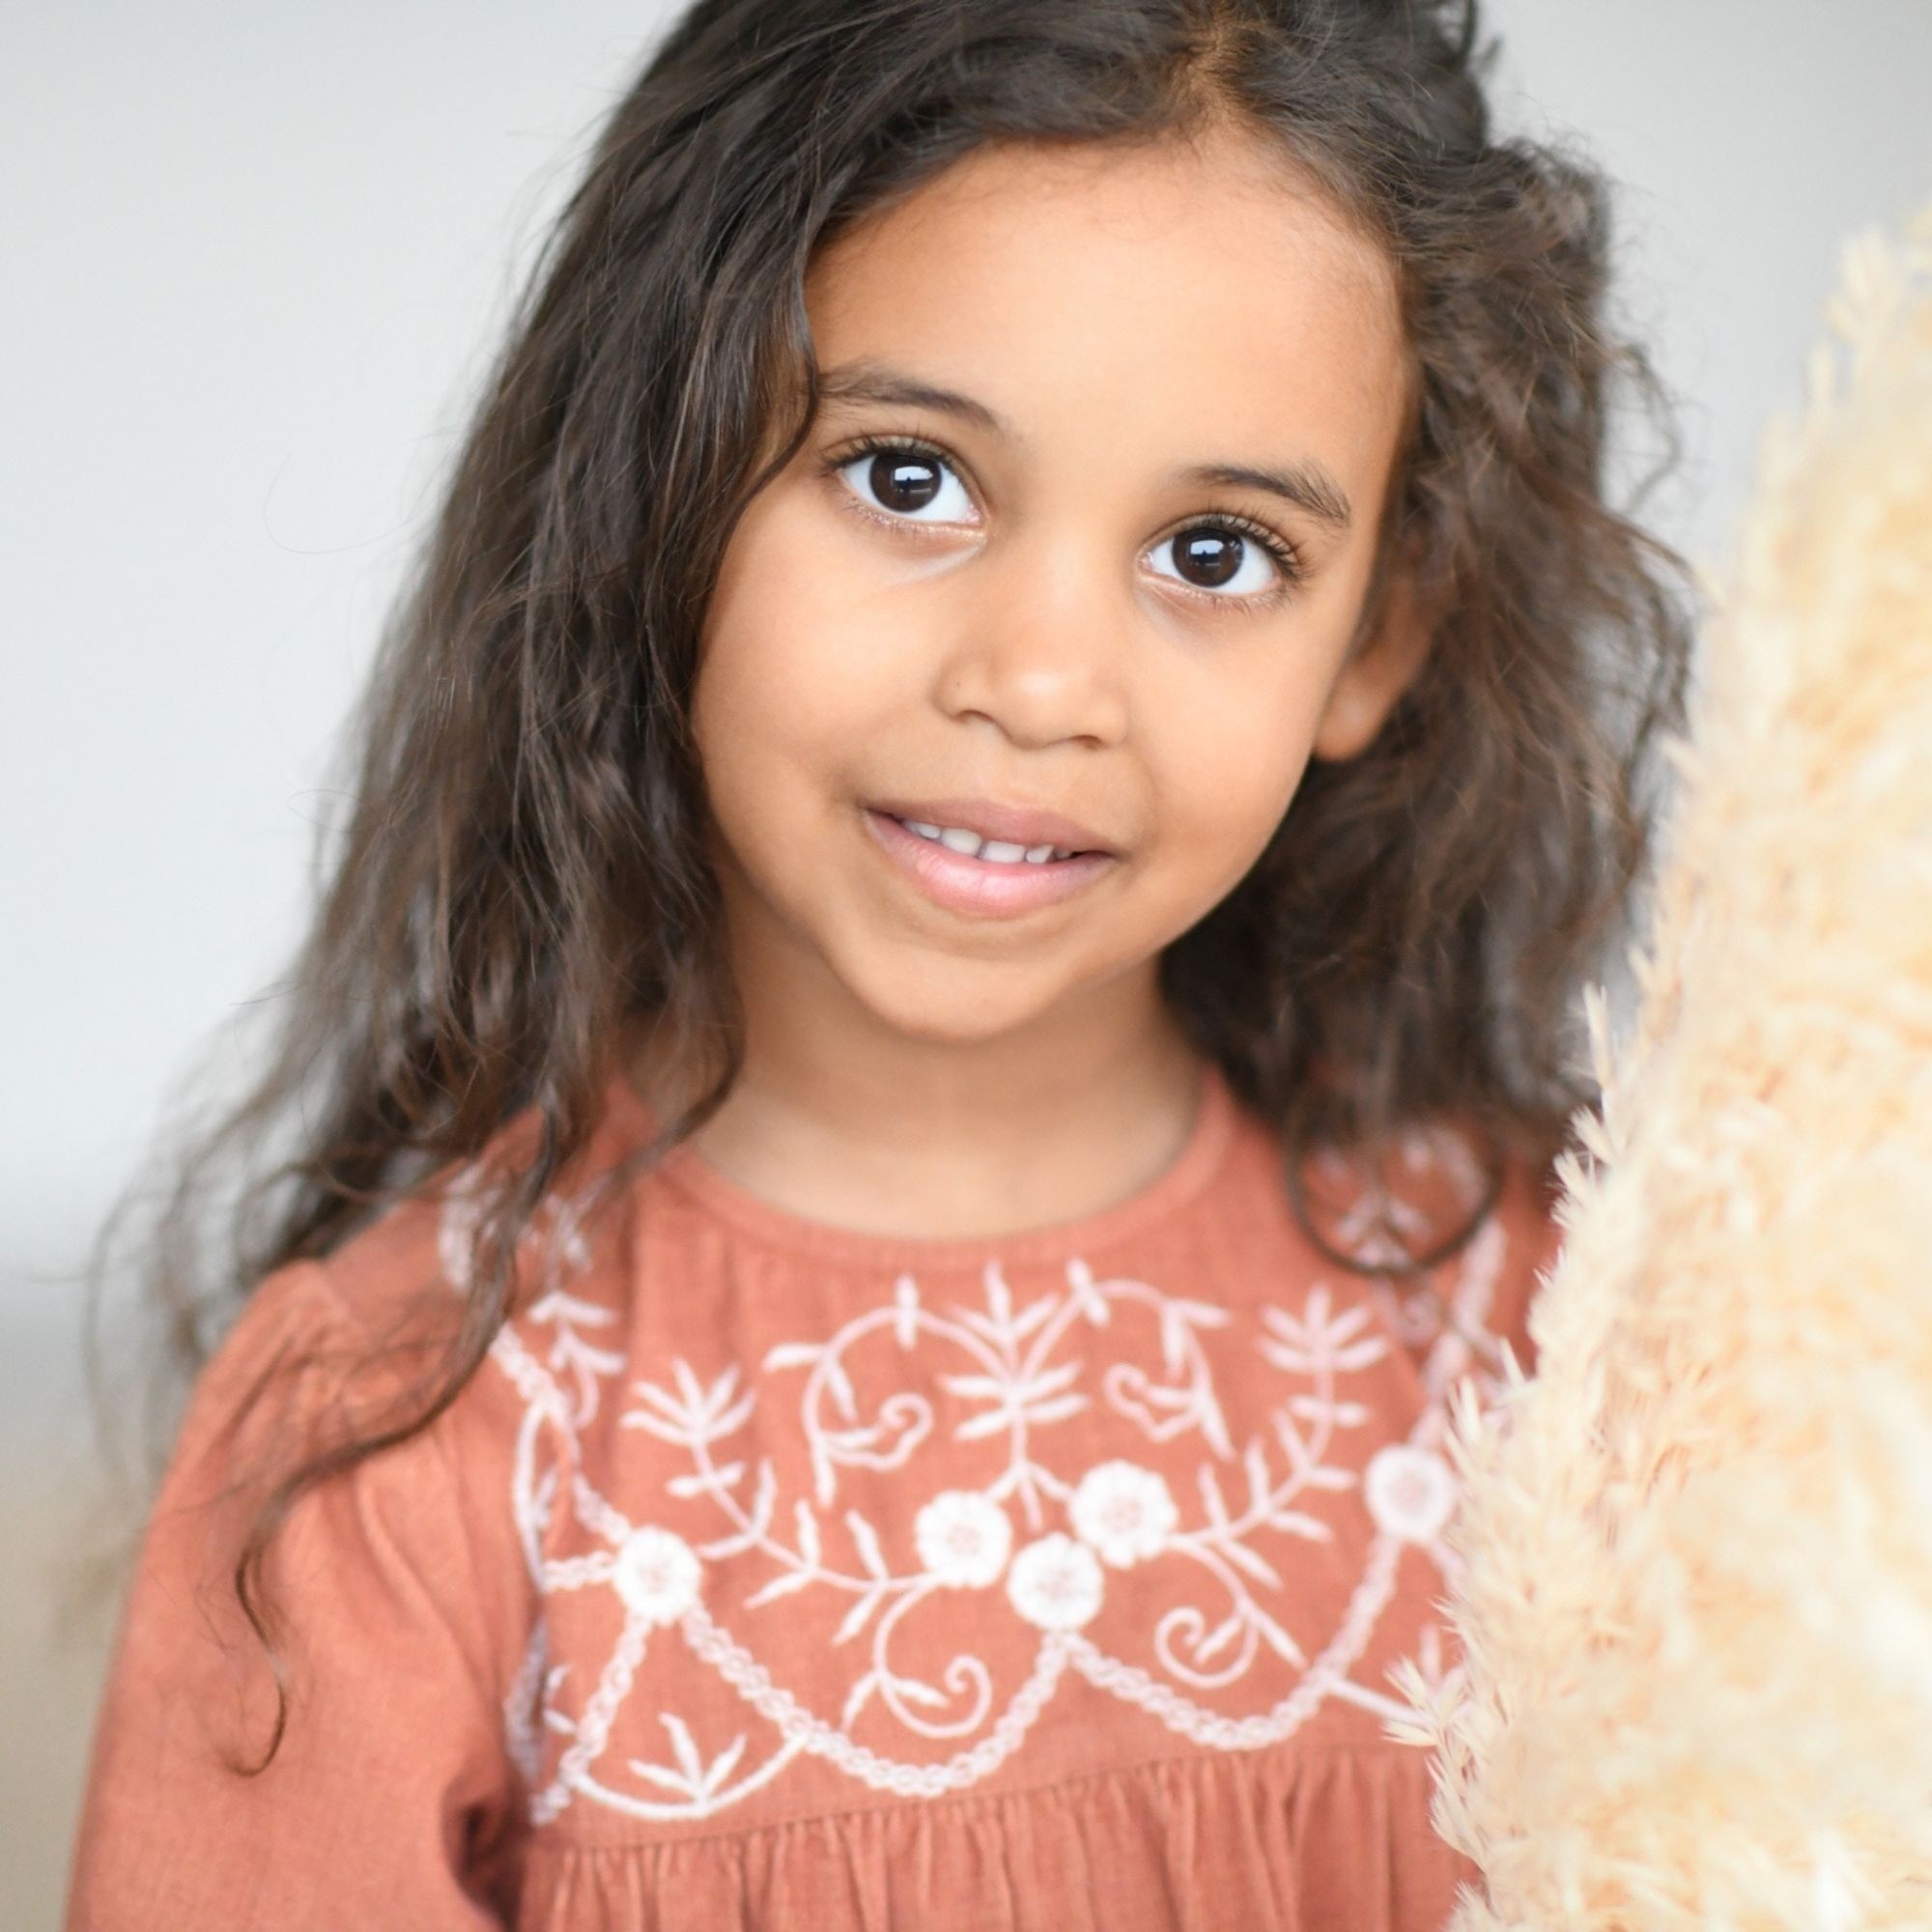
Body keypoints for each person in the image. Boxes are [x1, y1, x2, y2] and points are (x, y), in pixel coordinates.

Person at [62, 0, 1695, 1925]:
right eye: (910, 477)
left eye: (1215, 552)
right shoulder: (400, 1431)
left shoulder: (1564, 1326)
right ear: (663, 475)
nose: (1039, 682)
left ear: (1376, 641)